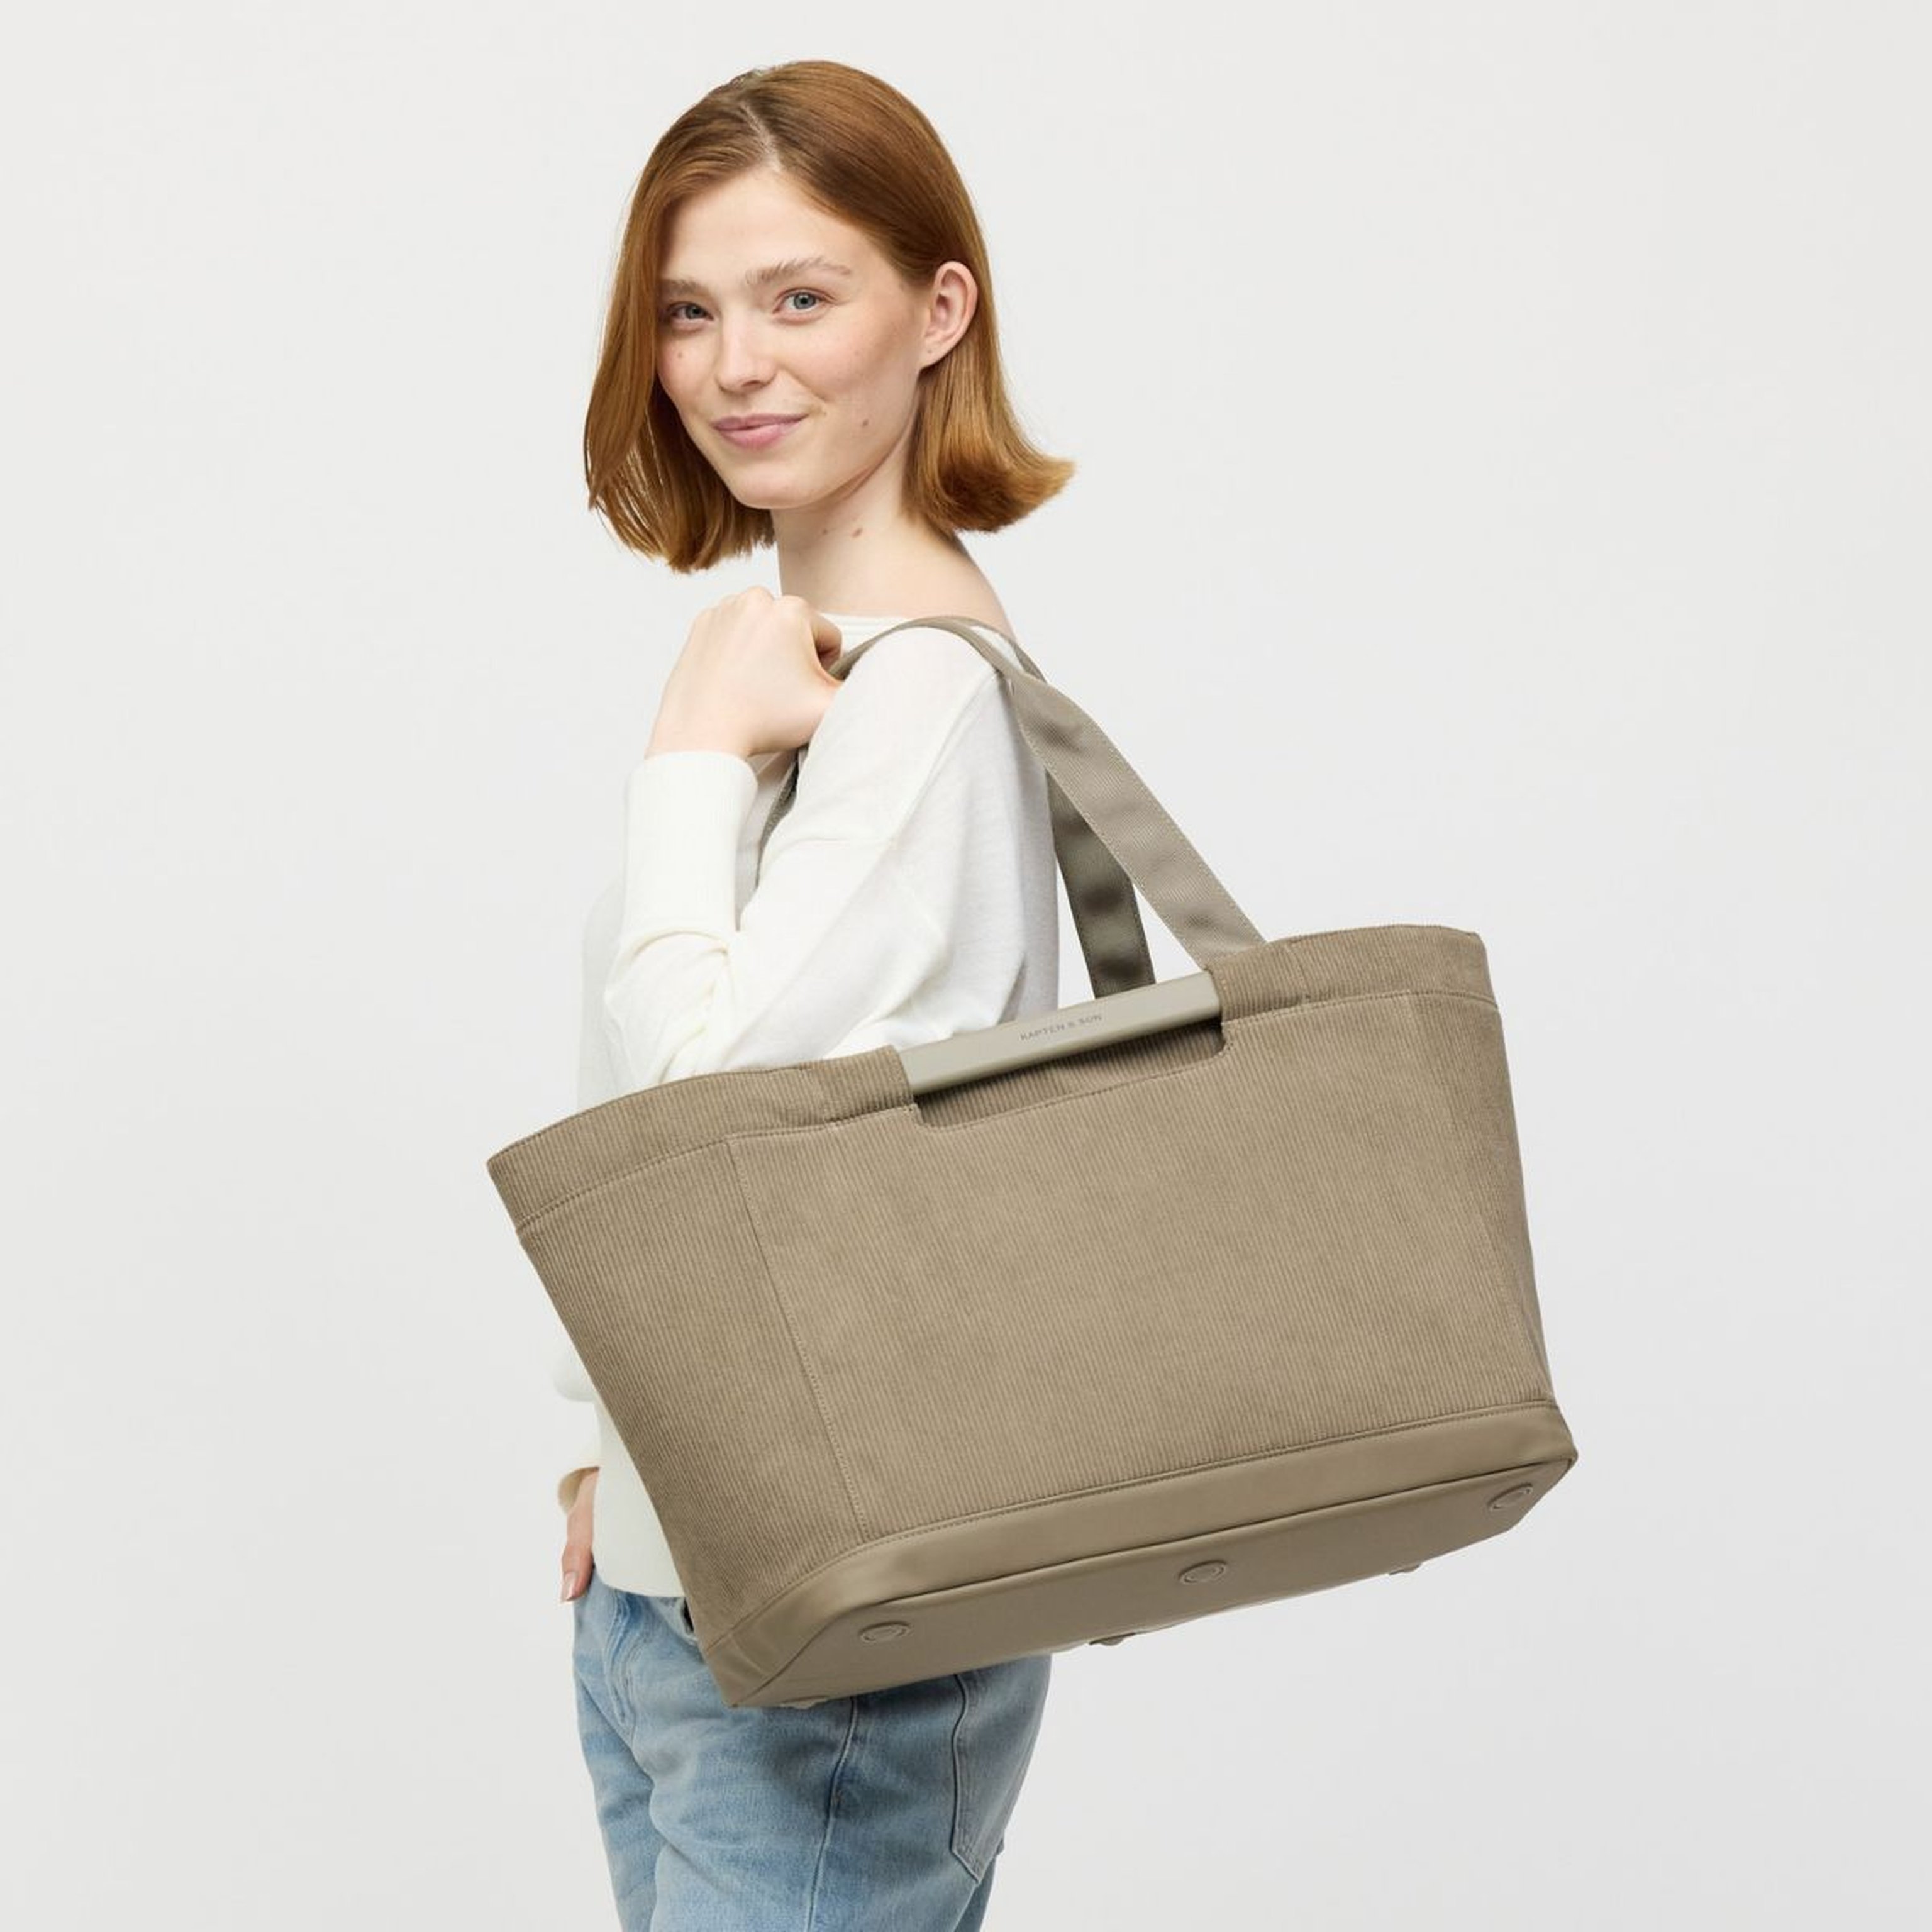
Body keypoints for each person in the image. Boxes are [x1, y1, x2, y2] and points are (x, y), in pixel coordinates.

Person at [547, 59, 1074, 1930]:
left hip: (824, 1645)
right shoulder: (815, 680)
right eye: (690, 309)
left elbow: (717, 1127)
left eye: (801, 296)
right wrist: (617, 1466)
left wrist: (690, 752)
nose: (733, 364)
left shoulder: (920, 702)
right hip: (695, 1597)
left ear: (940, 311)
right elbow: (664, 1128)